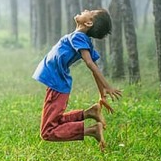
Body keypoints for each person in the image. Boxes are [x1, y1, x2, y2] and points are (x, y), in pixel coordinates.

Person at [32, 9, 122, 150]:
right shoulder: (82, 39)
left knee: (47, 132)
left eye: (90, 12)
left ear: (88, 22)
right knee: (55, 121)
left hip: (57, 85)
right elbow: (94, 67)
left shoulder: (79, 37)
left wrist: (107, 86)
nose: (85, 10)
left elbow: (90, 64)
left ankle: (92, 131)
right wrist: (102, 94)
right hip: (57, 84)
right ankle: (89, 113)